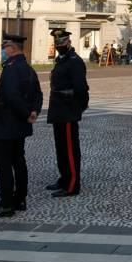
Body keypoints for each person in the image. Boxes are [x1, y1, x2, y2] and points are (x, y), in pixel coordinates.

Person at [0, 33, 43, 218]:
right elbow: (38, 94)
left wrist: (27, 113)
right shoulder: (28, 68)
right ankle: (20, 199)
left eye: (5, 47)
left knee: (3, 163)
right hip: (20, 124)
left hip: (7, 122)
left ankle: (6, 204)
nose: (3, 50)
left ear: (13, 48)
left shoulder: (10, 68)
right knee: (19, 161)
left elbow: (12, 96)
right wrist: (34, 111)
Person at [45, 29, 88, 198]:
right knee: (61, 148)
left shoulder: (74, 61)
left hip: (68, 110)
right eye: (57, 44)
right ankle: (64, 178)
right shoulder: (61, 60)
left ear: (68, 42)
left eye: (62, 43)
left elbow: (81, 89)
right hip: (58, 109)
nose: (59, 46)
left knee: (70, 150)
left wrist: (79, 107)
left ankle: (72, 185)